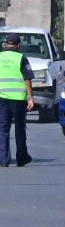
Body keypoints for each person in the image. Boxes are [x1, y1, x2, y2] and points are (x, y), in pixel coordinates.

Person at [0, 33, 35, 167]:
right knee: (20, 128)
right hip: (18, 99)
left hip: (1, 97)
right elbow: (27, 79)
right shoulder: (21, 58)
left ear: (6, 44)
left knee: (3, 128)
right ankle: (22, 158)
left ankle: (3, 159)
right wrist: (30, 97)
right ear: (18, 45)